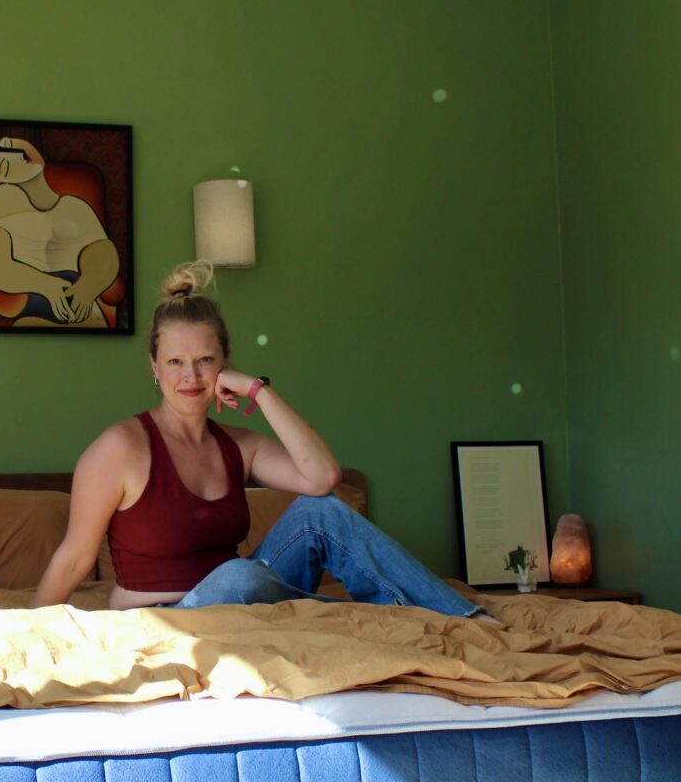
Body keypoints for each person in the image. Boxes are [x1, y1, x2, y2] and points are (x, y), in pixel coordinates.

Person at [32, 260, 486, 618]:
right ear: (154, 366)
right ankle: (340, 614)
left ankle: (461, 619)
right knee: (238, 578)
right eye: (175, 362)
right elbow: (74, 559)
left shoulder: (238, 445)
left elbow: (322, 477)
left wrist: (258, 390)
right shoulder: (120, 448)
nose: (190, 377)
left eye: (205, 360)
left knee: (317, 513)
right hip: (164, 618)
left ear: (226, 360)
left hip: (244, 608)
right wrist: (26, 634)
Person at [0, 136, 120, 328]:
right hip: (36, 312)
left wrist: (87, 288)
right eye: (5, 166)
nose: (18, 158)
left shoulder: (75, 206)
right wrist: (46, 285)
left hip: (86, 312)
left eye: (16, 152)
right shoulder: (2, 204)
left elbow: (104, 252)